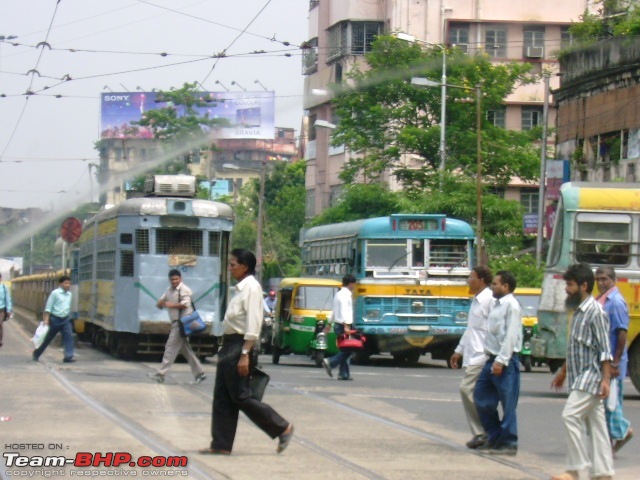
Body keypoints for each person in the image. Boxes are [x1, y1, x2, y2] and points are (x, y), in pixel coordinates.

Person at [200, 248, 293, 455]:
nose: (230, 268)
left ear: (245, 266)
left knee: (241, 396)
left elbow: (254, 323)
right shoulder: (240, 289)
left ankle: (281, 426)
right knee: (222, 396)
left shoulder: (251, 288)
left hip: (240, 346)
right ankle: (221, 444)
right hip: (229, 344)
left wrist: (245, 354)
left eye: (233, 264)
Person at [550, 263, 614, 480]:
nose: (566, 289)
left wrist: (605, 379)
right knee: (597, 426)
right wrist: (563, 372)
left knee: (570, 415)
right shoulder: (577, 312)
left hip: (591, 376)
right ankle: (603, 473)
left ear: (584, 285)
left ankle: (575, 469)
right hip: (579, 375)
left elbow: (605, 349)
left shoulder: (596, 312)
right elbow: (576, 347)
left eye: (570, 285)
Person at [473, 270, 522, 456]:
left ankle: (508, 442)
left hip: (505, 361)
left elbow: (511, 335)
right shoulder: (496, 304)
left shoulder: (512, 306)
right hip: (491, 359)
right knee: (481, 397)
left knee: (508, 403)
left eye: (495, 284)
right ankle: (494, 436)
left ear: (506, 286)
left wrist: (501, 361)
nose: (492, 287)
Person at [450, 266, 494, 449]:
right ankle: (485, 432)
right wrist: (459, 350)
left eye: (471, 277)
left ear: (482, 280)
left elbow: (494, 330)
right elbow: (471, 330)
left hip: (481, 355)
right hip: (471, 354)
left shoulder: (490, 301)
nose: (468, 280)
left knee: (466, 389)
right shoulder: (476, 301)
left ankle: (483, 432)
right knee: (478, 394)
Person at [595, 266, 633, 454]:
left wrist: (615, 362)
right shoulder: (602, 301)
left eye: (604, 279)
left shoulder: (615, 302)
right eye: (598, 279)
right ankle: (607, 444)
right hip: (603, 362)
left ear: (613, 280)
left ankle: (623, 431)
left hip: (612, 364)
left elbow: (622, 333)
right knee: (603, 404)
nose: (601, 283)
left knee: (611, 404)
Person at [150, 269, 206, 384]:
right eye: (172, 279)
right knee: (186, 350)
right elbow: (161, 302)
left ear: (180, 279)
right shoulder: (169, 290)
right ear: (169, 280)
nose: (174, 281)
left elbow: (185, 304)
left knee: (170, 348)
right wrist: (161, 303)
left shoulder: (184, 290)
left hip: (182, 324)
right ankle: (199, 373)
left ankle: (161, 374)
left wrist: (170, 305)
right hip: (176, 323)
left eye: (176, 279)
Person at [32, 275, 75, 363]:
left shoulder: (69, 294)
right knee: (47, 338)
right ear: (60, 284)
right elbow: (48, 307)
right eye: (66, 283)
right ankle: (37, 353)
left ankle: (68, 356)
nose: (68, 285)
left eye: (69, 283)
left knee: (69, 336)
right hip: (55, 319)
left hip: (65, 319)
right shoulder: (55, 293)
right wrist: (46, 319)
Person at [322, 274, 357, 381]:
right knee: (348, 350)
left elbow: (334, 311)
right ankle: (331, 362)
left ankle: (344, 374)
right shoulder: (345, 295)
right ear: (351, 284)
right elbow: (342, 310)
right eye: (354, 284)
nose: (354, 287)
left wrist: (329, 324)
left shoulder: (339, 294)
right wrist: (346, 325)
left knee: (344, 348)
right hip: (343, 325)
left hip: (339, 324)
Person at [0, 273, 13, 348]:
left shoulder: (4, 288)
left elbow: (8, 299)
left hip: (1, 309)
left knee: (0, 324)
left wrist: (8, 310)